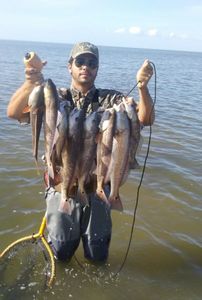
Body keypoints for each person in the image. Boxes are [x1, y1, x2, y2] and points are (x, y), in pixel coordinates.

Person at [7, 42, 155, 263]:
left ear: (97, 68)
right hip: (61, 186)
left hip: (98, 190)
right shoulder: (55, 97)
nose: (86, 67)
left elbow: (145, 119)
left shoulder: (112, 100)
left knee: (97, 251)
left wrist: (142, 87)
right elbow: (14, 113)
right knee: (61, 249)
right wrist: (31, 81)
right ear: (70, 66)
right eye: (80, 62)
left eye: (92, 63)